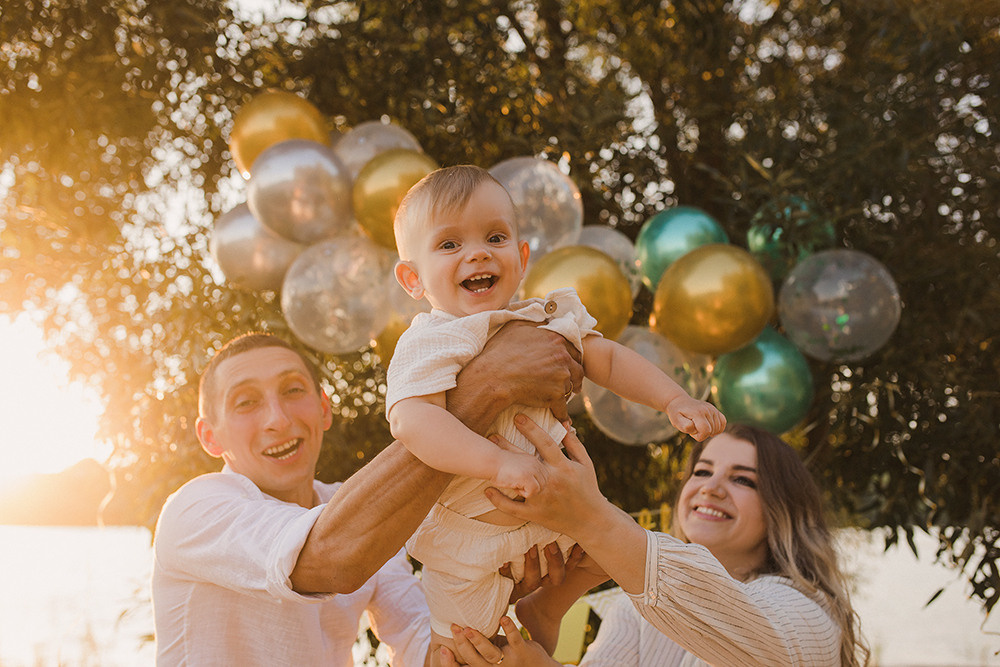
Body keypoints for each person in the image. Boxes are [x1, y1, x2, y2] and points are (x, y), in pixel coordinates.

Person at [385, 165, 726, 653]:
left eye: (495, 237)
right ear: (412, 278)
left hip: (557, 514)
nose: (477, 252)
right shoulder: (430, 342)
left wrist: (673, 398)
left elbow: (606, 356)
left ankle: (543, 608)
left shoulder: (545, 319)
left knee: (615, 548)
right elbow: (413, 422)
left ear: (521, 258)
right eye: (449, 245)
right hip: (472, 538)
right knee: (462, 651)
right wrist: (498, 463)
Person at [151, 326, 584, 666]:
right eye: (246, 402)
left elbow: (425, 649)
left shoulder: (353, 509)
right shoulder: (195, 508)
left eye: (292, 390)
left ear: (324, 408)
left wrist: (486, 596)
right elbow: (329, 557)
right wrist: (488, 387)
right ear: (210, 437)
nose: (278, 420)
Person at [442, 421, 870, 667]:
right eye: (702, 472)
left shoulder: (809, 613)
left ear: (784, 510)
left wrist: (594, 520)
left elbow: (758, 641)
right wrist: (550, 605)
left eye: (742, 480)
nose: (711, 488)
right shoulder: (635, 608)